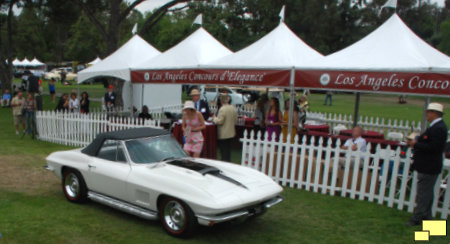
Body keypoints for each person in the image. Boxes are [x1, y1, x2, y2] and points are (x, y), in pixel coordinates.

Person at [405, 103, 447, 226]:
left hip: (429, 165)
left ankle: (418, 218)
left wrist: (416, 144)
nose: (426, 114)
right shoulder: (436, 127)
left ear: (434, 113)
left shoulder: (439, 128)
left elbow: (434, 147)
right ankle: (427, 218)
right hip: (427, 165)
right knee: (426, 193)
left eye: (428, 112)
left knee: (424, 193)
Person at [213, 95, 238, 162]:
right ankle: (228, 162)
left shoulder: (222, 109)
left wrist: (214, 118)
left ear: (221, 101)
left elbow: (220, 121)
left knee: (224, 151)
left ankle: (225, 163)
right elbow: (235, 119)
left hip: (224, 133)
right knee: (228, 150)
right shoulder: (233, 108)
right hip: (231, 132)